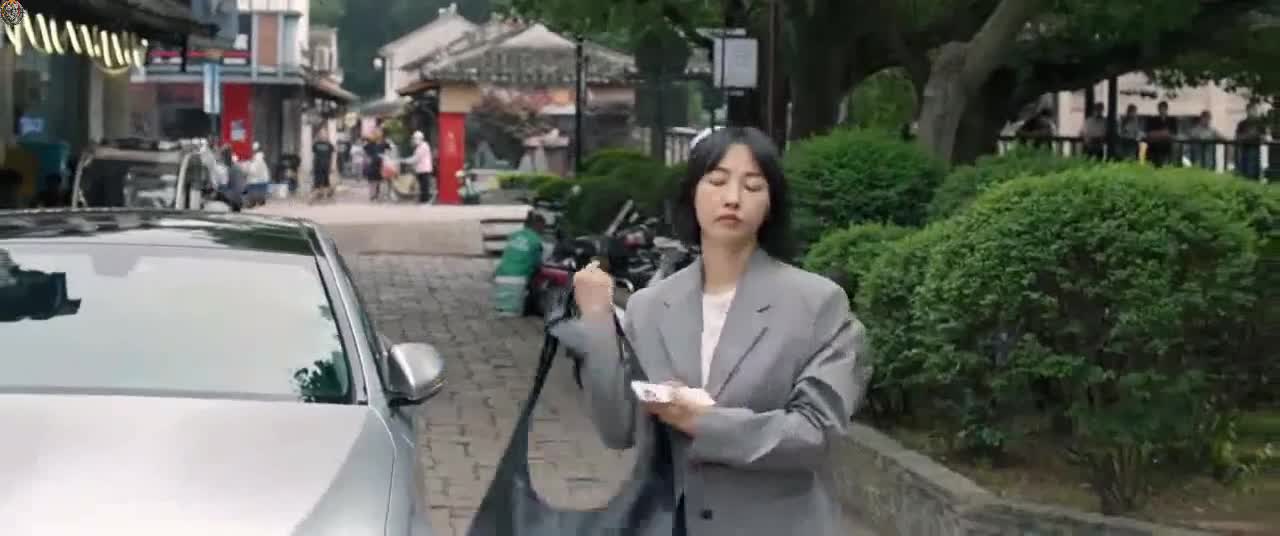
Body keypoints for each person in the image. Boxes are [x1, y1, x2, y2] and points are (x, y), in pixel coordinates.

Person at [565, 127, 870, 536]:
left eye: (752, 185)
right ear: (692, 194)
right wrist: (598, 321)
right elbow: (617, 430)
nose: (732, 198)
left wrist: (703, 421)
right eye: (717, 181)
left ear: (771, 203)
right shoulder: (650, 306)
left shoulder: (818, 304)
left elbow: (817, 433)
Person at [492, 211, 547, 317]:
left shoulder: (513, 235)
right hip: (517, 280)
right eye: (543, 227)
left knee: (503, 308)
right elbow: (537, 265)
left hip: (500, 276)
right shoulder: (536, 241)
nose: (543, 230)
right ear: (538, 225)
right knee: (539, 274)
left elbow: (507, 255)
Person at [1235, 103, 1267, 180]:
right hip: (1244, 149)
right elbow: (1238, 137)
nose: (1252, 112)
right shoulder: (1242, 123)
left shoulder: (1260, 123)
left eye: (1254, 110)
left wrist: (1252, 135)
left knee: (1254, 170)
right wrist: (1250, 135)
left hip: (1256, 149)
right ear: (1247, 111)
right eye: (1250, 110)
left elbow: (1264, 137)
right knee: (1244, 169)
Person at [405, 131, 435, 203]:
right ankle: (423, 200)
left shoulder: (423, 146)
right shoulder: (419, 147)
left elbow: (416, 158)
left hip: (424, 170)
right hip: (420, 170)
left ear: (419, 138)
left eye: (415, 139)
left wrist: (406, 161)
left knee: (424, 187)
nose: (414, 140)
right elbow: (415, 158)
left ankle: (425, 201)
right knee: (422, 186)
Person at [1145, 101, 1177, 167]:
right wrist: (1162, 133)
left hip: (1167, 144)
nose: (1162, 110)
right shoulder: (1153, 120)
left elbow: (1174, 132)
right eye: (1161, 108)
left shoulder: (1172, 120)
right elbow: (1149, 132)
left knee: (1174, 147)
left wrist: (1166, 134)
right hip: (1155, 144)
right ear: (1158, 109)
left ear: (1166, 109)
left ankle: (1169, 164)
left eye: (1163, 108)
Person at [311, 131, 336, 202]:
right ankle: (314, 196)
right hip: (318, 165)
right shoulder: (316, 144)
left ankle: (324, 197)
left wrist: (333, 166)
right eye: (321, 134)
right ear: (319, 136)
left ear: (327, 136)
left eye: (324, 135)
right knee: (317, 181)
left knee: (325, 181)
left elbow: (333, 155)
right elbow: (313, 154)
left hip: (326, 165)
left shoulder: (329, 145)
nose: (323, 136)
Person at [363, 133, 389, 202]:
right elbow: (365, 151)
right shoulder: (370, 144)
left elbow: (389, 148)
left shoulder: (383, 144)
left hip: (378, 164)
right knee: (373, 181)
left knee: (377, 180)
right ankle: (373, 195)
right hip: (373, 164)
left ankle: (375, 195)